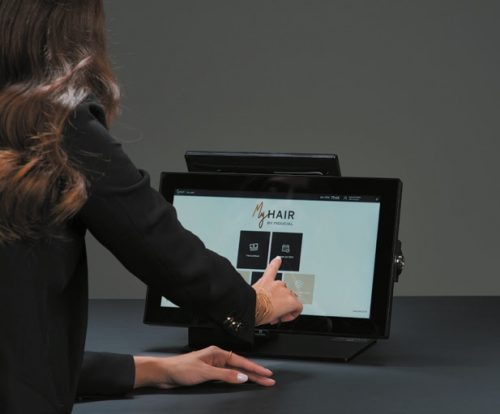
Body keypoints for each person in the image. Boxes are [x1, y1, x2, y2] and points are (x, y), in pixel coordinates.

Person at [0, 1, 303, 413]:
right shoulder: (55, 125)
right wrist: (254, 305)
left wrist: (154, 370)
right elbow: (157, 242)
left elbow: (18, 353)